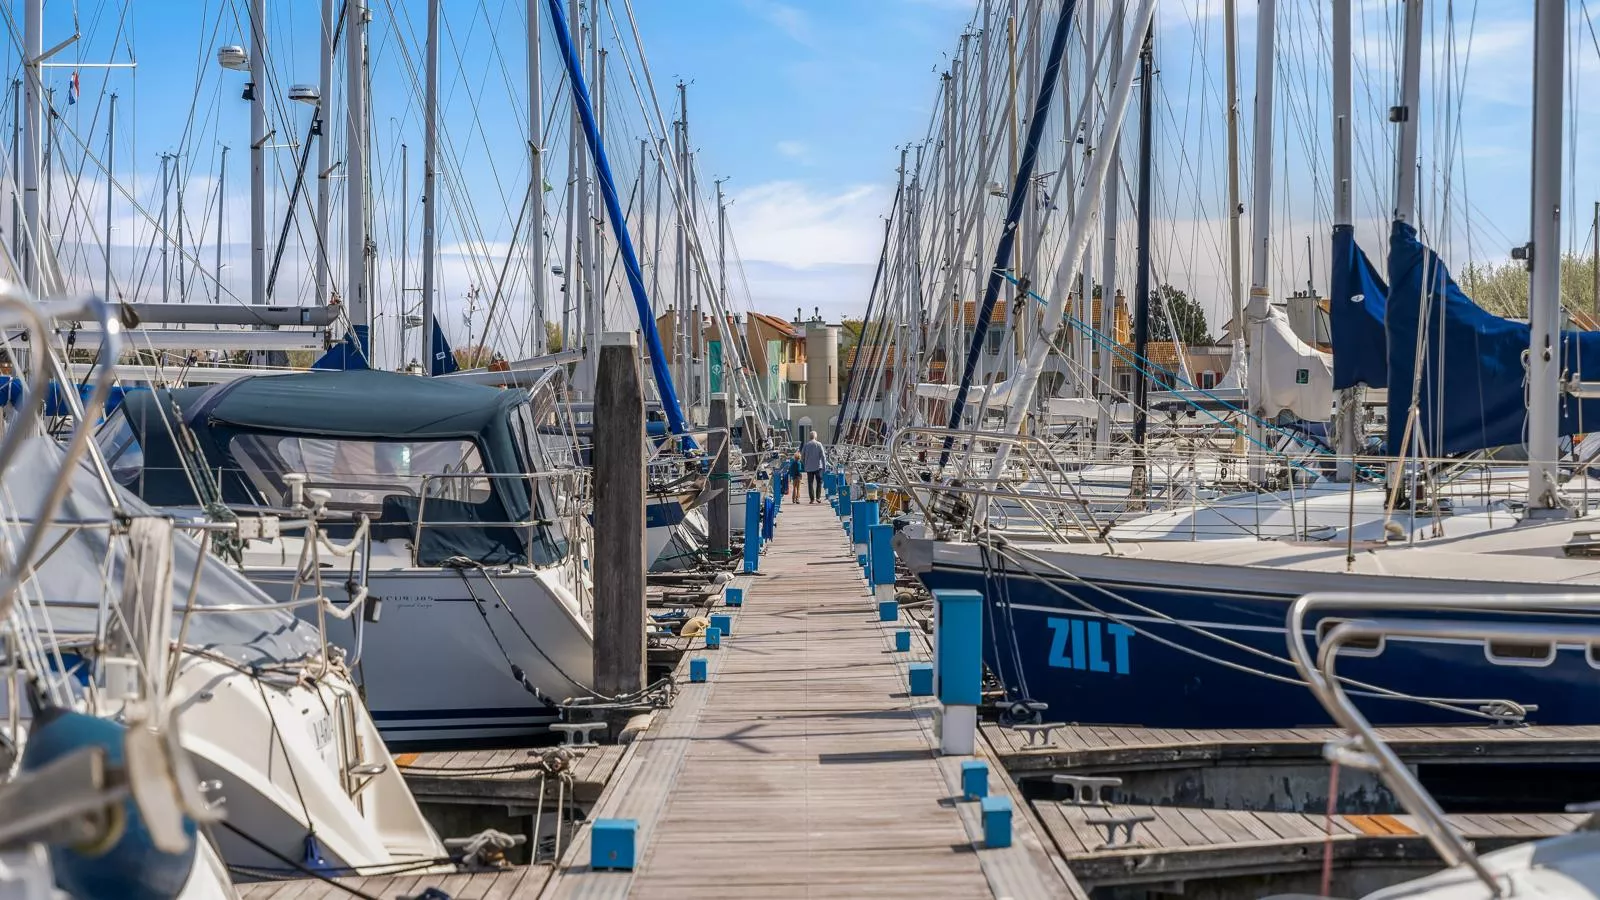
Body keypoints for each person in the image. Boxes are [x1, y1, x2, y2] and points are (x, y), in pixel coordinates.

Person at [800, 431, 827, 503]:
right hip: (818, 467)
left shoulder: (806, 445)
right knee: (819, 482)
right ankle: (818, 497)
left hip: (809, 467)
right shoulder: (819, 444)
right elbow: (823, 457)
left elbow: (802, 456)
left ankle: (812, 499)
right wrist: (824, 467)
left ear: (810, 437)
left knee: (810, 483)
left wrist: (804, 464)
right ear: (816, 436)